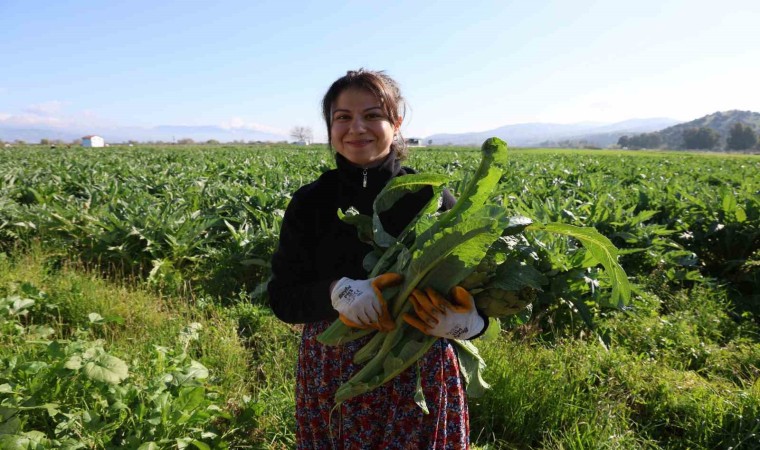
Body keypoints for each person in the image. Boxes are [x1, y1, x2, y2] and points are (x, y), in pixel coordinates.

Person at [268, 69, 489, 449]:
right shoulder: (310, 203)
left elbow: (480, 291)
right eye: (343, 117)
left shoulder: (430, 198)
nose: (357, 128)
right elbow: (283, 298)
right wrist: (336, 292)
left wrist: (468, 323)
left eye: (373, 115)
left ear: (396, 123)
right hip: (334, 371)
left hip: (419, 367)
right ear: (330, 127)